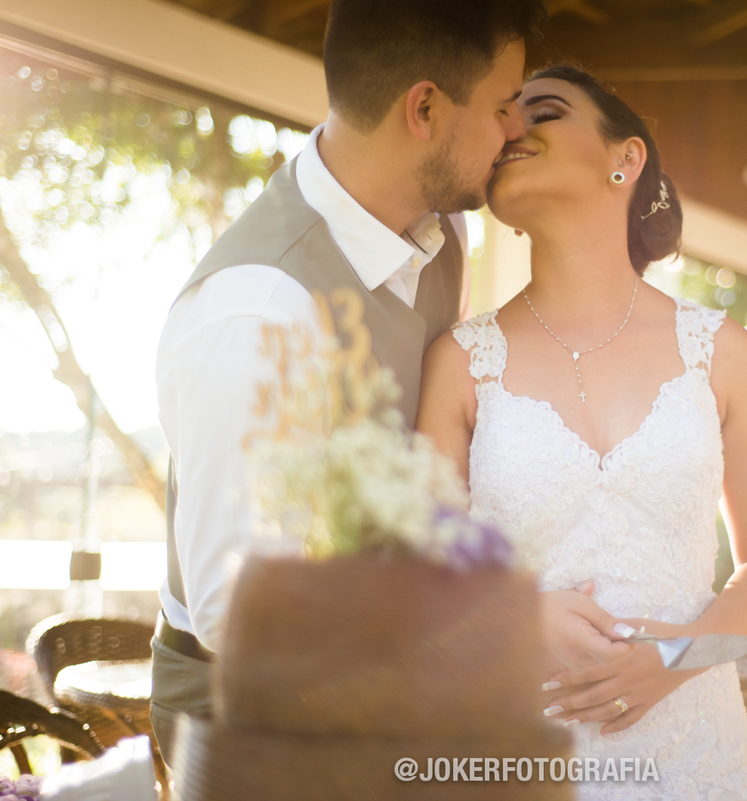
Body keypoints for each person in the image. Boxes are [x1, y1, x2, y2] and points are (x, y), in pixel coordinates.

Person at [149, 0, 552, 765]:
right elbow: (236, 611)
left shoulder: (445, 233)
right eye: (503, 105)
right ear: (424, 109)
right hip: (246, 723)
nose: (515, 129)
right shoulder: (260, 309)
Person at [417, 65, 747, 798]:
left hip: (696, 764)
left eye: (544, 111)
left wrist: (676, 658)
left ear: (625, 159)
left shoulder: (720, 352)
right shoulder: (460, 362)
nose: (513, 127)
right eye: (505, 115)